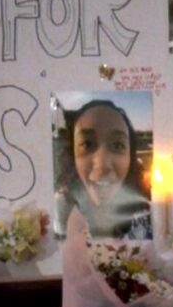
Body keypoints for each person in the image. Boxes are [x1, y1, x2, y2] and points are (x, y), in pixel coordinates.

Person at [54, 99, 152, 240]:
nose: (103, 164)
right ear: (72, 154)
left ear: (130, 157)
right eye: (87, 144)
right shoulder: (59, 211)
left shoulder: (146, 214)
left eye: (117, 145)